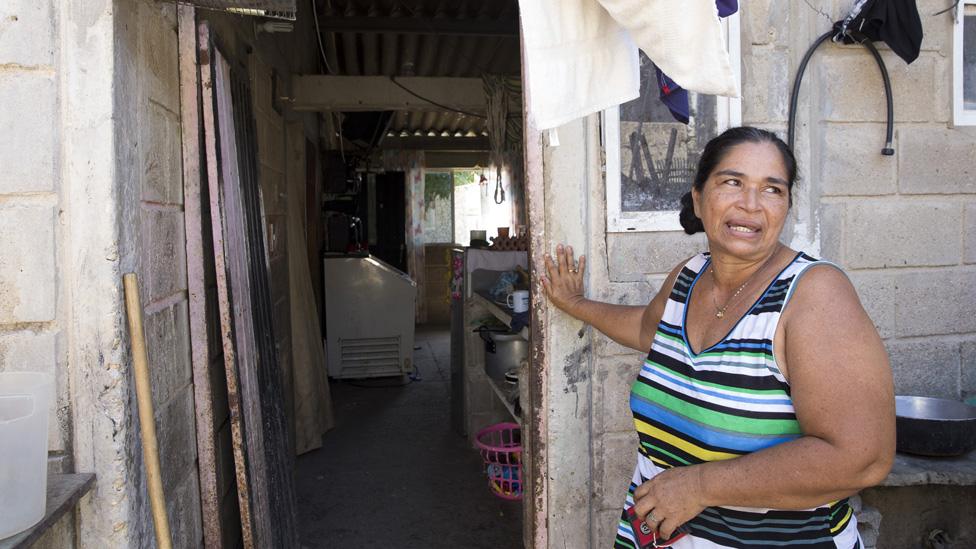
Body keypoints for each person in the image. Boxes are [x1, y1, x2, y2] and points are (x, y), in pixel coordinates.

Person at [541, 127, 895, 548]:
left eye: (772, 189)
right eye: (733, 182)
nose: (750, 204)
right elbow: (644, 329)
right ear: (697, 197)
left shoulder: (813, 294)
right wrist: (575, 303)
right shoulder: (689, 277)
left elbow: (862, 458)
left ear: (786, 206)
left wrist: (700, 486)